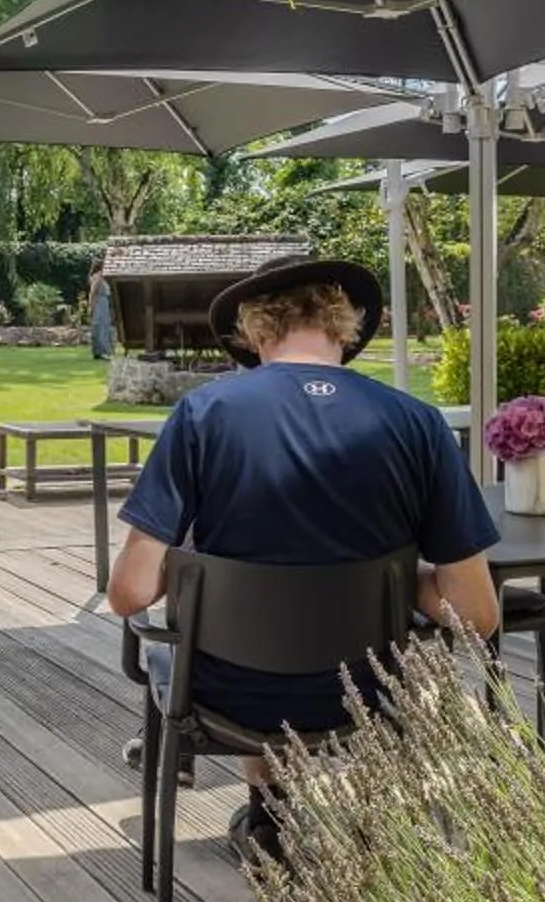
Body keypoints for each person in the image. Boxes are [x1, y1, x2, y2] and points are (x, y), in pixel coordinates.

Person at [107, 256, 501, 857]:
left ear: (254, 330)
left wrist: (192, 573)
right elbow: (478, 616)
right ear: (344, 326)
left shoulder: (204, 413)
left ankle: (269, 816)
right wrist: (399, 582)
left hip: (227, 694)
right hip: (367, 690)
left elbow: (129, 594)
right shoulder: (418, 424)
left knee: (227, 625)